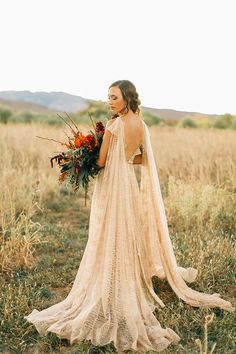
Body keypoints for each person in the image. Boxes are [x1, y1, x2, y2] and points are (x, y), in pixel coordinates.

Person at [24, 80, 234, 353]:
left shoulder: (114, 126)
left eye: (114, 97)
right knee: (123, 229)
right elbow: (141, 159)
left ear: (126, 98)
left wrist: (86, 157)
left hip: (113, 184)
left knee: (107, 229)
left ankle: (109, 282)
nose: (109, 101)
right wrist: (119, 159)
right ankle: (124, 273)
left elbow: (100, 162)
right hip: (127, 185)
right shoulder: (142, 126)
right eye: (108, 97)